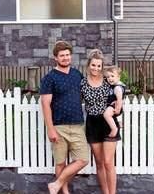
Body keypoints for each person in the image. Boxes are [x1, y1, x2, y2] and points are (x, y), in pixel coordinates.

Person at [40, 41, 89, 194]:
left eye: (67, 55)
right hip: (58, 126)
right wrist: (51, 129)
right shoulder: (49, 78)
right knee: (61, 162)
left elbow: (89, 92)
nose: (65, 58)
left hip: (77, 125)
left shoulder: (77, 74)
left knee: (82, 159)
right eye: (62, 55)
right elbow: (45, 104)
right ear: (56, 58)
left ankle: (56, 184)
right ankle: (64, 192)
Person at [81, 50, 119, 194]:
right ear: (88, 65)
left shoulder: (107, 81)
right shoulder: (83, 83)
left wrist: (119, 106)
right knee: (99, 162)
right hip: (92, 123)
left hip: (108, 123)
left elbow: (119, 89)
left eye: (98, 66)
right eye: (93, 65)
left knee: (108, 162)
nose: (96, 68)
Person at [101, 65, 125, 140]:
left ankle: (114, 129)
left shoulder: (117, 87)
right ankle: (118, 124)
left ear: (118, 77)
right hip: (113, 105)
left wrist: (118, 108)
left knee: (106, 115)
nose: (110, 78)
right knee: (107, 115)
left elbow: (119, 98)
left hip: (116, 106)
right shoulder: (113, 85)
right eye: (108, 77)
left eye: (112, 76)